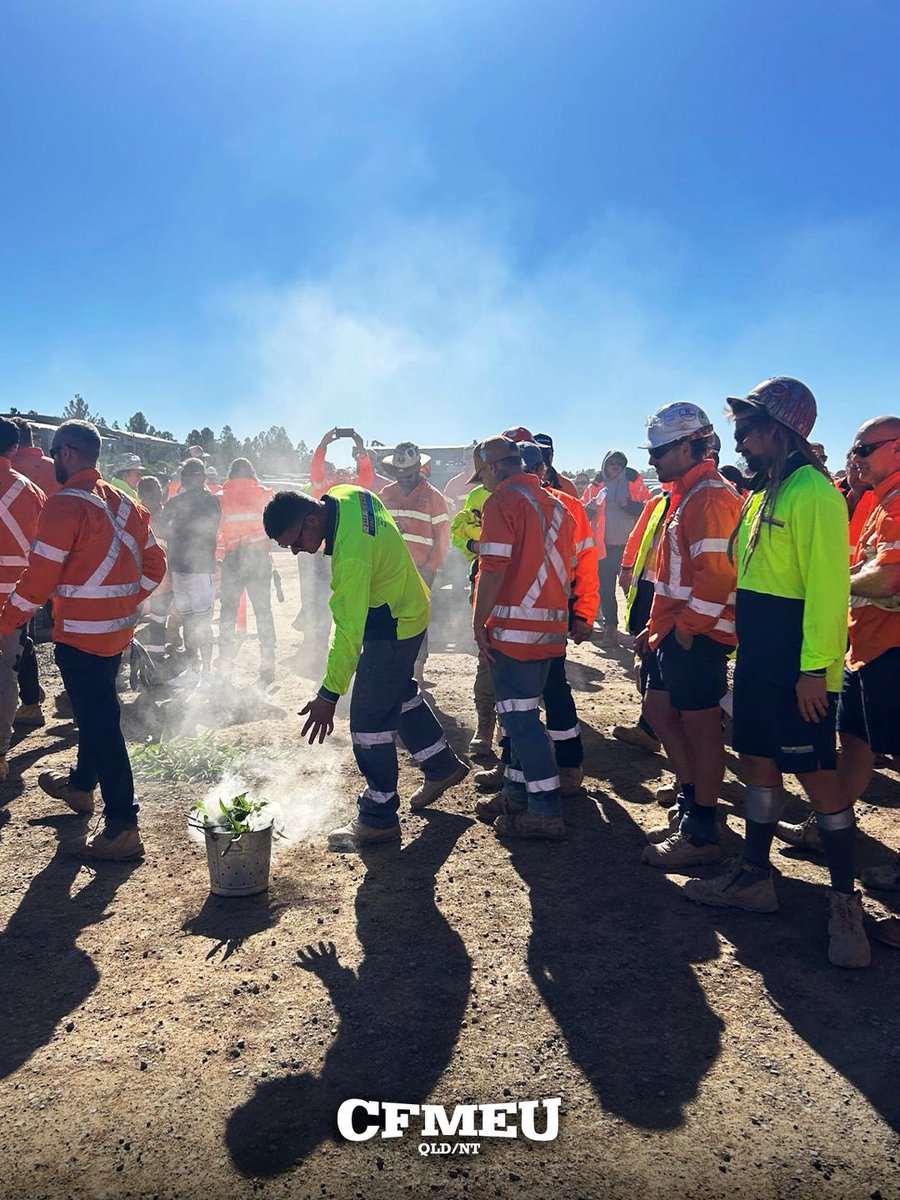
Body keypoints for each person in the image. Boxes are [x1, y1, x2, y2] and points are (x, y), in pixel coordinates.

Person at [683, 378, 869, 969]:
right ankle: (755, 878)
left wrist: (816, 670)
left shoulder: (814, 493)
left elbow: (826, 590)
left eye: (747, 429)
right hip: (761, 660)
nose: (738, 439)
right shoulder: (764, 494)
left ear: (779, 429)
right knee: (759, 765)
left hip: (799, 667)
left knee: (818, 777)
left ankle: (846, 903)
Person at [262, 486, 468, 852]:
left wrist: (328, 694)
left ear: (311, 519)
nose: (295, 551)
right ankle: (441, 766)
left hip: (393, 623)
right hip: (409, 602)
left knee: (369, 719)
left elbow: (348, 634)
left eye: (293, 542)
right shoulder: (346, 493)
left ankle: (379, 817)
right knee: (398, 693)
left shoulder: (350, 558)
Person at [0, 419, 166, 859]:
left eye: (55, 454)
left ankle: (123, 827)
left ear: (68, 453)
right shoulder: (128, 504)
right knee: (99, 712)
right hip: (117, 631)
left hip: (80, 634)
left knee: (101, 722)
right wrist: (125, 603)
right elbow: (156, 566)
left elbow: (37, 582)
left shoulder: (63, 507)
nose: (53, 461)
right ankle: (79, 786)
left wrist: (5, 622)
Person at [632, 403, 742, 869]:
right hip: (677, 632)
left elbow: (716, 577)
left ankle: (701, 828)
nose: (653, 460)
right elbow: (674, 575)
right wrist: (657, 628)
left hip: (700, 634)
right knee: (659, 710)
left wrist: (684, 630)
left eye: (659, 450)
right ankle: (692, 802)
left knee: (701, 730)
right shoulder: (686, 495)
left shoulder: (711, 498)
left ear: (687, 446)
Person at [473, 439, 597, 798]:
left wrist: (479, 623)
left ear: (495, 468)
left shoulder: (502, 501)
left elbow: (494, 569)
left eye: (482, 475)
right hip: (550, 630)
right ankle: (513, 794)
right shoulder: (558, 505)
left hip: (515, 631)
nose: (482, 484)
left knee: (520, 719)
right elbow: (572, 566)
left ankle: (543, 807)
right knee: (527, 711)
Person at [830, 417, 899, 951]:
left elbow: (888, 577)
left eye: (865, 447)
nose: (855, 456)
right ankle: (826, 823)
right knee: (853, 741)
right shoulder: (878, 501)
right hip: (867, 650)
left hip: (891, 653)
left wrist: (834, 584)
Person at [380, 442, 451, 679]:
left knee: (417, 619)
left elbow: (443, 540)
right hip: (388, 572)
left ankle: (416, 670)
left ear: (419, 468)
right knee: (387, 617)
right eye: (400, 474)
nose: (405, 478)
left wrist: (428, 569)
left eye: (409, 473)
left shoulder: (433, 497)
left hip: (421, 571)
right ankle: (392, 666)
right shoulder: (386, 494)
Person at [0, 418, 46, 778]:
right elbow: (42, 548)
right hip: (14, 598)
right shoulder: (30, 493)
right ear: (13, 450)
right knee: (4, 671)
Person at [9, 419, 56, 728]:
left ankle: (29, 701)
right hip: (62, 565)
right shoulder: (56, 466)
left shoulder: (10, 472)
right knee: (68, 632)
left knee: (19, 632)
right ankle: (72, 698)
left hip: (22, 571)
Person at [156, 458, 222, 680]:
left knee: (201, 623)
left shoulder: (210, 500)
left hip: (201, 569)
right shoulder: (176, 502)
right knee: (187, 620)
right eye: (185, 476)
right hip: (179, 568)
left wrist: (176, 530)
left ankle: (207, 672)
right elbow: (159, 526)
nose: (188, 481)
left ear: (203, 478)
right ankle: (193, 670)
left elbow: (205, 528)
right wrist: (179, 530)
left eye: (194, 476)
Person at [218, 458, 276, 685]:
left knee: (228, 612)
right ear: (252, 473)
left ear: (231, 474)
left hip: (232, 559)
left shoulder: (221, 497)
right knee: (263, 611)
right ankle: (268, 664)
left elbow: (214, 530)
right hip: (258, 558)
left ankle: (224, 665)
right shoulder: (265, 493)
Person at [450, 481, 495, 756]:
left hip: (522, 586)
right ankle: (486, 726)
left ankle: (511, 728)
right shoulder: (478, 496)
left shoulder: (532, 493)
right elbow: (458, 529)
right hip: (484, 580)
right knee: (486, 656)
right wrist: (473, 546)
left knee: (517, 661)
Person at [594, 450, 652, 646]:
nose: (615, 467)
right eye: (612, 463)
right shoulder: (597, 485)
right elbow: (585, 509)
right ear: (605, 465)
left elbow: (648, 507)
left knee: (632, 590)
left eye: (619, 463)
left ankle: (638, 630)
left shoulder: (634, 482)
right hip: (604, 548)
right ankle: (611, 631)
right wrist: (589, 509)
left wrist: (628, 505)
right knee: (606, 590)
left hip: (629, 548)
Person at [309, 428, 375, 498]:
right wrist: (323, 444)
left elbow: (366, 477)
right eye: (338, 473)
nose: (341, 475)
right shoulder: (324, 490)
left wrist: (361, 448)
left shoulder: (358, 492)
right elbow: (317, 470)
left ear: (351, 479)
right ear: (332, 477)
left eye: (345, 473)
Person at [533, 433, 578, 497]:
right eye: (538, 452)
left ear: (552, 455)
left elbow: (576, 506)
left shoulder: (567, 485)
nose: (542, 457)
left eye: (546, 453)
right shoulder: (523, 484)